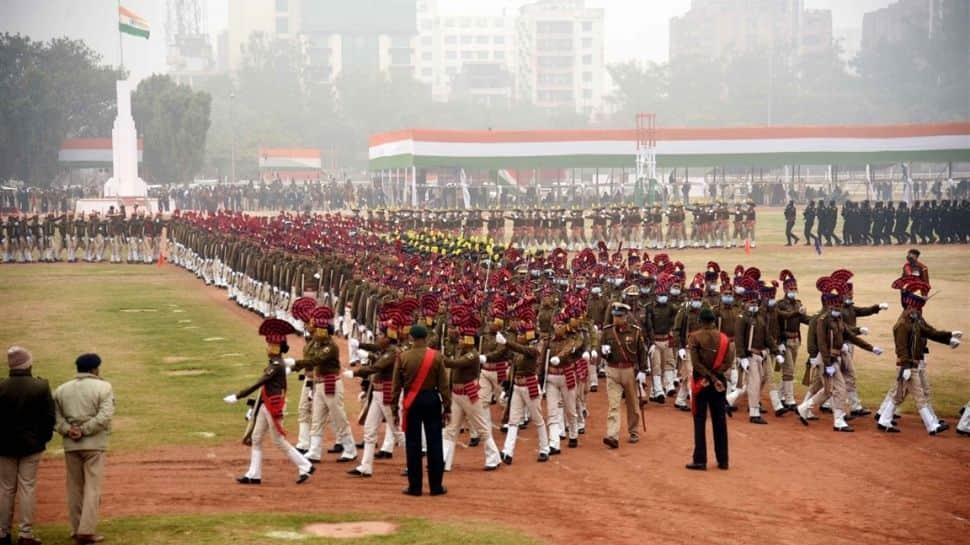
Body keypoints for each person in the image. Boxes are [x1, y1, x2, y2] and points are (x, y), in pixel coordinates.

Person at [53, 353, 115, 545]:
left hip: (71, 445)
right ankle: (86, 531)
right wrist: (84, 430)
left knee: (74, 488)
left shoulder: (61, 390)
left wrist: (69, 430)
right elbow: (105, 416)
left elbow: (55, 418)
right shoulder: (104, 387)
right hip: (94, 444)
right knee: (92, 488)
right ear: (94, 369)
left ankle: (76, 528)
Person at [0, 347, 54, 545]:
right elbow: (49, 418)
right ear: (28, 364)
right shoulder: (40, 386)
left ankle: (3, 533)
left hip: (4, 446)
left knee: (5, 489)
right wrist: (43, 440)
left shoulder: (2, 386)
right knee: (27, 488)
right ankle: (26, 533)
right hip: (32, 444)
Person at [392, 324, 450, 497]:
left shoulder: (403, 357)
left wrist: (394, 408)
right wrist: (447, 407)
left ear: (411, 338)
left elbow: (396, 386)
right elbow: (444, 386)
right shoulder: (437, 356)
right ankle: (436, 486)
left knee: (413, 444)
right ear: (426, 338)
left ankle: (415, 487)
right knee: (434, 443)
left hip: (412, 401)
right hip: (432, 399)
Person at [686, 309, 733, 470]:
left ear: (701, 321)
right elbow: (728, 362)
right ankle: (723, 460)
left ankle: (700, 459)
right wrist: (715, 376)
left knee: (700, 420)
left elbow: (696, 364)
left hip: (702, 381)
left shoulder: (695, 337)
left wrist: (708, 377)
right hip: (719, 382)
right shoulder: (724, 339)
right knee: (720, 421)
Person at [600, 302, 648, 448]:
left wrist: (642, 371)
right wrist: (604, 352)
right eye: (615, 316)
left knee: (632, 404)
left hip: (629, 371)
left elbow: (642, 352)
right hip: (613, 370)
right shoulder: (607, 332)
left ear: (626, 316)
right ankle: (612, 435)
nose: (616, 319)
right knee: (613, 405)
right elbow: (601, 350)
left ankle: (634, 431)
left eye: (619, 316)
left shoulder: (635, 332)